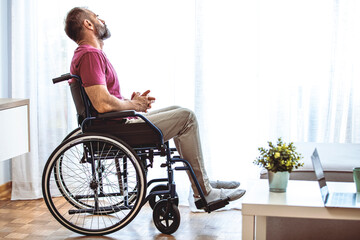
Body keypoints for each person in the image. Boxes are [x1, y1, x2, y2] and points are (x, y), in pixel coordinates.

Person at [64, 7, 245, 205]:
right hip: (114, 129)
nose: (102, 20)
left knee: (177, 109)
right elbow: (102, 103)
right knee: (186, 118)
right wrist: (131, 104)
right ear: (88, 24)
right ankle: (203, 191)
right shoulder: (90, 55)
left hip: (114, 124)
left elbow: (102, 100)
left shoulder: (88, 54)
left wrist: (130, 103)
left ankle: (203, 182)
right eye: (97, 17)